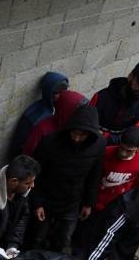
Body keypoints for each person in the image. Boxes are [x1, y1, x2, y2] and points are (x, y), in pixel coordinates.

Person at [27, 104, 106, 252]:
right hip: (46, 199)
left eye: (82, 135)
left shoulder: (99, 145)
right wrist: (37, 203)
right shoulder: (50, 142)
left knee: (63, 240)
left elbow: (95, 175)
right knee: (36, 238)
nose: (76, 138)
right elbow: (34, 174)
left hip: (72, 202)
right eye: (74, 133)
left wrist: (88, 203)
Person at [90, 60, 139, 143]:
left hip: (120, 147)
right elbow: (87, 123)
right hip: (93, 141)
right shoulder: (101, 97)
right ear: (130, 76)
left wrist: (109, 138)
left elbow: (132, 136)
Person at [90, 126, 139, 216]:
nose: (123, 153)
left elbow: (138, 186)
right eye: (121, 147)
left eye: (129, 151)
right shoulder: (105, 152)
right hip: (95, 205)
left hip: (119, 208)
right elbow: (92, 180)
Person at [8, 71, 69, 159]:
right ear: (49, 92)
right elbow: (19, 145)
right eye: (57, 92)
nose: (61, 95)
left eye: (64, 91)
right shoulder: (36, 115)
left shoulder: (61, 108)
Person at [21, 90, 88, 156]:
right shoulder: (42, 130)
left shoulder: (77, 129)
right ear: (66, 111)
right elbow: (27, 154)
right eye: (76, 113)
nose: (80, 117)